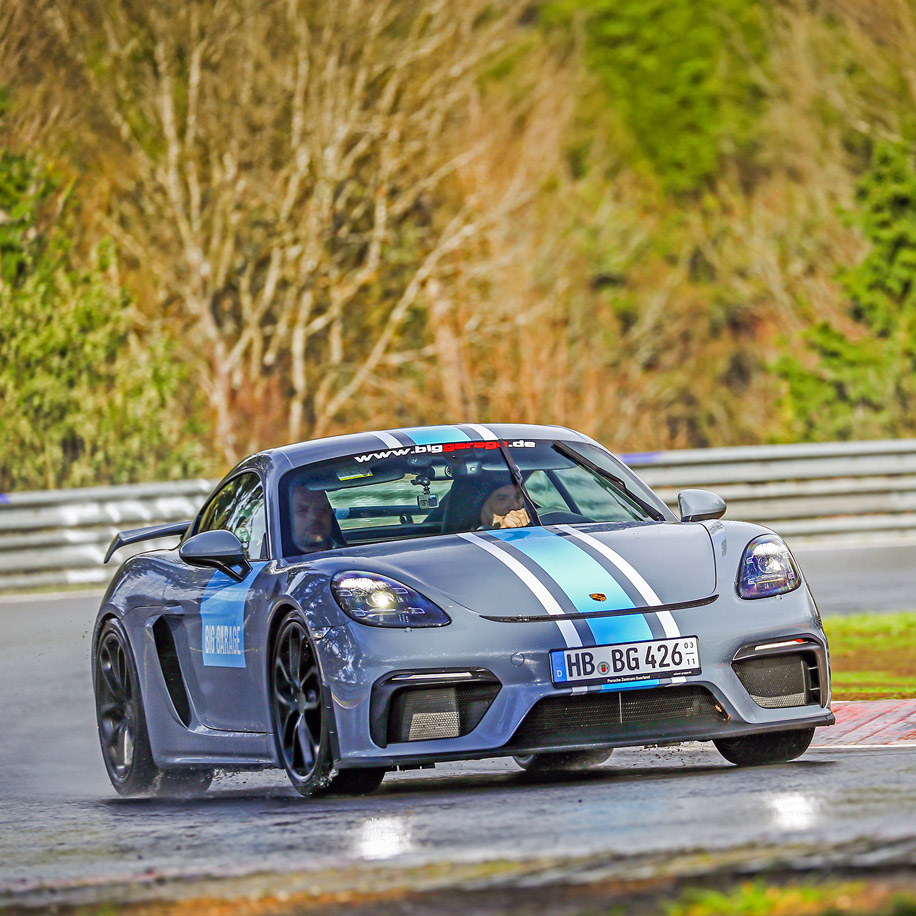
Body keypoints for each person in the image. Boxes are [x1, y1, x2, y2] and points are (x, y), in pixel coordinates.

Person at [290, 484, 338, 553]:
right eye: (302, 510)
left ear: (330, 513)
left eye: (321, 509)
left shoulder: (347, 556)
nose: (314, 516)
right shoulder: (281, 561)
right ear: (288, 518)